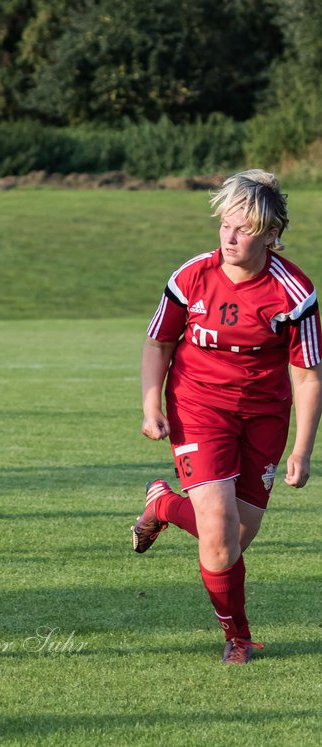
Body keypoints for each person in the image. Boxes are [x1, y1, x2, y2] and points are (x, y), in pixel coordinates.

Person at [132, 169, 321, 664]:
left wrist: (302, 449)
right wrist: (152, 405)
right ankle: (237, 636)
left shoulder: (294, 292)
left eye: (244, 228)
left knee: (235, 537)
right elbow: (159, 343)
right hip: (198, 407)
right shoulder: (192, 276)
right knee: (218, 538)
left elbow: (307, 375)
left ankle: (162, 505)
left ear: (271, 234)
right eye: (225, 226)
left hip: (263, 418)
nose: (230, 238)